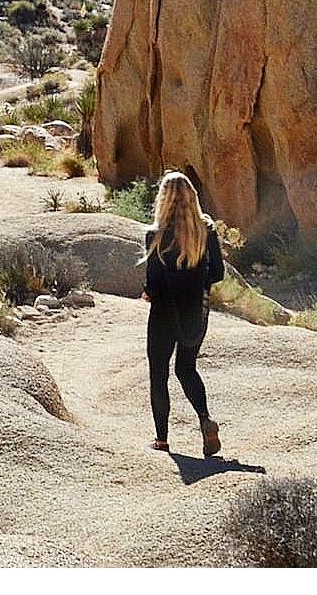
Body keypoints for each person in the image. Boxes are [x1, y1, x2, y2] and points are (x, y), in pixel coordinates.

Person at [140, 171, 225, 455]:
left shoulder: (156, 234)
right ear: (192, 197)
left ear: (163, 199)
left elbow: (153, 283)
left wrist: (149, 292)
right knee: (186, 369)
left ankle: (162, 440)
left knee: (158, 373)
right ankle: (205, 420)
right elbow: (218, 273)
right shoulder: (207, 230)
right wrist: (195, 283)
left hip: (164, 313)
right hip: (195, 312)